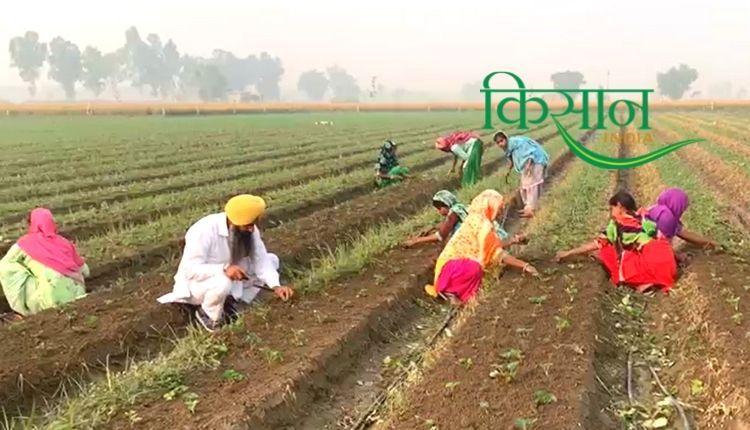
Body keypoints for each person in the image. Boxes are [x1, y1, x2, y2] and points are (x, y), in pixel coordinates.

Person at [157, 194, 294, 332]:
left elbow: (261, 259)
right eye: (248, 225)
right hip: (199, 284)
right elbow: (190, 270)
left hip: (230, 275)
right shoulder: (203, 230)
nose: (252, 229)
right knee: (223, 282)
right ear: (234, 222)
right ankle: (209, 315)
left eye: (253, 224)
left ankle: (233, 304)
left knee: (272, 260)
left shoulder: (247, 227)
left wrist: (276, 286)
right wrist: (224, 269)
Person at [424, 189, 539, 305]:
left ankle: (456, 291)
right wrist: (525, 266)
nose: (500, 212)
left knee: (477, 267)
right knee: (474, 268)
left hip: (453, 265)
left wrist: (514, 241)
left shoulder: (480, 219)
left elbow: (492, 245)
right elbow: (497, 253)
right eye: (499, 208)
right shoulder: (480, 224)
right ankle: (449, 291)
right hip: (450, 268)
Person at [554, 191, 677, 294]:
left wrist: (568, 253)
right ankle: (653, 280)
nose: (611, 211)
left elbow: (597, 244)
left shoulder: (619, 222)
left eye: (612, 208)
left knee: (607, 252)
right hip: (667, 258)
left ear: (620, 207)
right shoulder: (643, 216)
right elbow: (657, 237)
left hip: (652, 258)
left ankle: (646, 281)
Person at [0, 208, 89, 317]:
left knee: (7, 268)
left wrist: (27, 270)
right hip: (78, 296)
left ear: (31, 224)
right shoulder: (65, 243)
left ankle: (25, 309)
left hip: (48, 300)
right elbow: (86, 271)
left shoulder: (24, 244)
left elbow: (4, 265)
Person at [402, 190, 526, 249]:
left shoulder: (454, 213)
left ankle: (513, 241)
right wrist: (429, 230)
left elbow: (441, 235)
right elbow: (445, 226)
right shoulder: (461, 207)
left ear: (445, 205)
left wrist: (415, 241)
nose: (439, 212)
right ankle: (513, 240)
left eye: (439, 208)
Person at [494, 131, 550, 218]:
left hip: (535, 161)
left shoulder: (517, 143)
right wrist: (507, 171)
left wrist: (529, 166)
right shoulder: (509, 148)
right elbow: (511, 160)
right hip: (527, 165)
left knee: (532, 186)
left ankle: (531, 209)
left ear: (506, 139)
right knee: (524, 187)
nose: (500, 144)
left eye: (501, 141)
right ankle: (528, 207)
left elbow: (530, 153)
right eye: (498, 143)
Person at [640, 187, 719, 249]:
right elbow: (665, 248)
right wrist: (678, 257)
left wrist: (708, 242)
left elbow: (684, 234)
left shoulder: (658, 209)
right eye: (682, 208)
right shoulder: (666, 218)